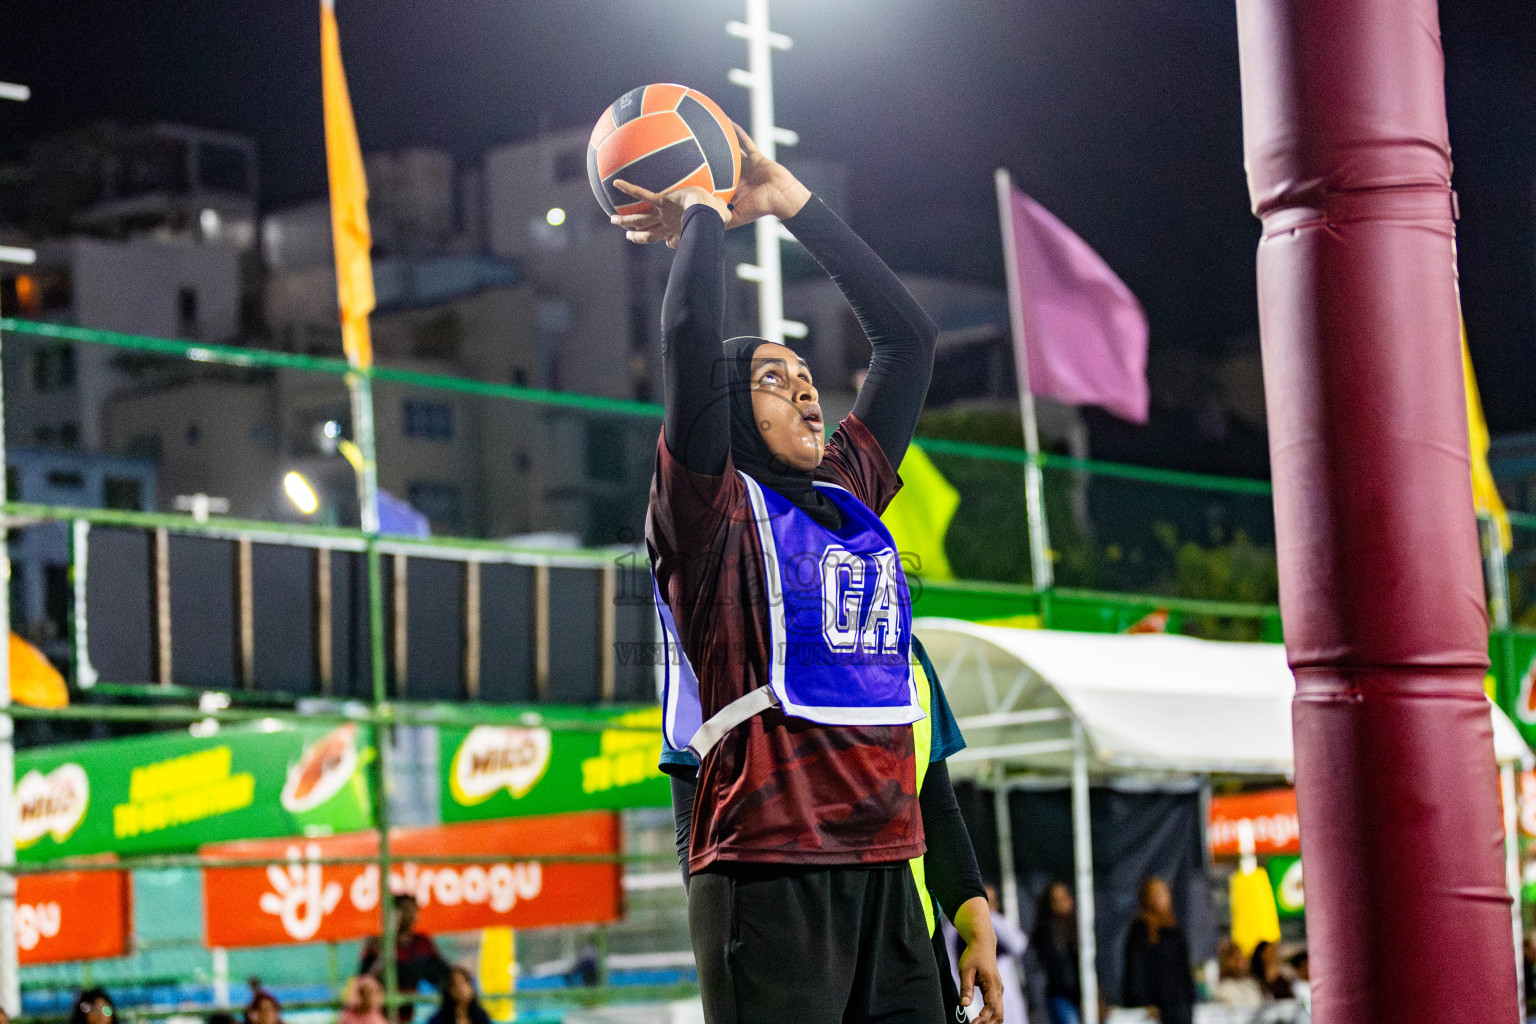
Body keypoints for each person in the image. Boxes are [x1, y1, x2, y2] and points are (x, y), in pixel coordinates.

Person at [633, 121, 1001, 1024]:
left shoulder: (850, 498)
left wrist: (788, 200)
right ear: (725, 408)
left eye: (806, 375)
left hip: (888, 876)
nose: (805, 389)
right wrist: (706, 216)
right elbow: (687, 337)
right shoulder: (709, 516)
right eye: (772, 378)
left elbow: (906, 340)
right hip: (768, 869)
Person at [360, 894, 449, 1022]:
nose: (411, 915)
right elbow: (365, 981)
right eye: (405, 910)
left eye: (414, 910)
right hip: (378, 1015)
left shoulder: (422, 943)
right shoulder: (376, 943)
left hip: (408, 1014)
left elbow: (442, 975)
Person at [1121, 877, 1196, 1024]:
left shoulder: (1173, 928)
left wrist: (1189, 997)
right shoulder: (1140, 930)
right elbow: (1136, 969)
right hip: (1155, 1009)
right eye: (1156, 894)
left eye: (1163, 893)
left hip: (1180, 1005)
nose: (1161, 898)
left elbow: (1183, 967)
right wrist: (1142, 1001)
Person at [1031, 881, 1082, 1024]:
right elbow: (1056, 970)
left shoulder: (1081, 926)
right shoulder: (1047, 932)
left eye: (1064, 896)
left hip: (1083, 993)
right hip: (1062, 995)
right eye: (1056, 899)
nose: (1063, 902)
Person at [426, 967, 491, 1024]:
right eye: (455, 985)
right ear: (449, 990)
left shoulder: (481, 1017)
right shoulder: (439, 1019)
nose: (460, 989)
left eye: (464, 983)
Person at [1211, 940, 1263, 1008]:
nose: (1241, 963)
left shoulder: (1252, 983)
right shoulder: (1224, 988)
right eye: (1236, 959)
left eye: (1242, 958)